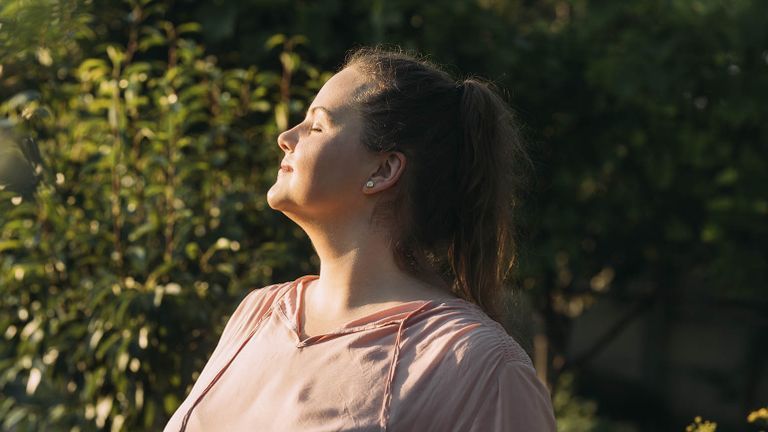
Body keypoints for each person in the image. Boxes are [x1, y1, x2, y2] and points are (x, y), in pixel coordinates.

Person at [164, 47, 557, 431]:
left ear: (384, 169)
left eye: (317, 126)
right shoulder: (259, 313)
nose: (286, 136)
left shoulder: (479, 367)